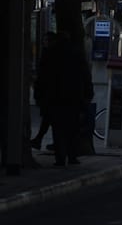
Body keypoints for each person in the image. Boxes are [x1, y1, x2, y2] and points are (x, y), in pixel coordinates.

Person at [34, 30, 92, 167]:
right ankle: (72, 156)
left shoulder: (50, 53)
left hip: (55, 96)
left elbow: (42, 77)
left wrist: (39, 95)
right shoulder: (76, 53)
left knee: (58, 127)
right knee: (72, 127)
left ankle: (60, 157)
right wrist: (87, 93)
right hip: (74, 95)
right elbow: (85, 74)